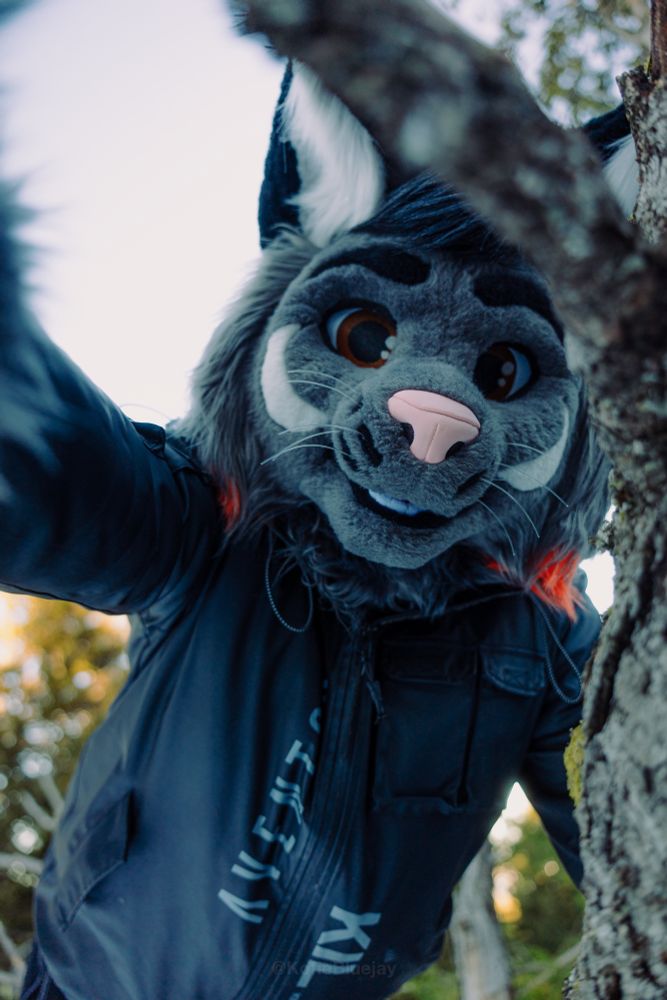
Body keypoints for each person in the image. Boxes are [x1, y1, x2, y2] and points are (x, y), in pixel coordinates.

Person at [3, 40, 635, 1000]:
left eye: (502, 373)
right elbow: (54, 476)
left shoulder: (543, 633)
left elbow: (624, 814)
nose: (434, 417)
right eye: (364, 339)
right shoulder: (211, 529)